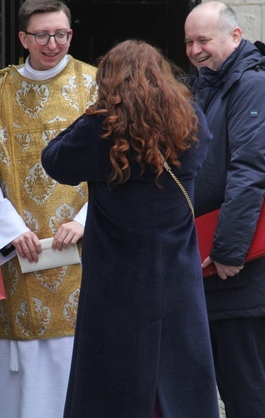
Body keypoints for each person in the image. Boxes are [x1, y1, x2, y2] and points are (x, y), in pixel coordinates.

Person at [42, 40, 220, 418]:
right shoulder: (191, 119)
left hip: (117, 282)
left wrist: (94, 113)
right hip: (177, 276)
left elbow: (54, 158)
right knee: (177, 379)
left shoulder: (101, 130)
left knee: (113, 386)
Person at [0, 0, 97, 418]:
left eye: (61, 34)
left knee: (77, 359)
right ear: (23, 37)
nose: (52, 44)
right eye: (42, 35)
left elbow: (122, 163)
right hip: (21, 254)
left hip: (82, 253)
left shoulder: (95, 85)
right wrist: (10, 227)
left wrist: (84, 219)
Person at [184, 1, 265, 417]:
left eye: (204, 40)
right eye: (188, 42)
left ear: (235, 37)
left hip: (243, 268)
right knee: (231, 385)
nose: (195, 50)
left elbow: (249, 175)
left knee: (245, 390)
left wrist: (228, 252)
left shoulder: (255, 87)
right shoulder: (209, 84)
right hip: (220, 268)